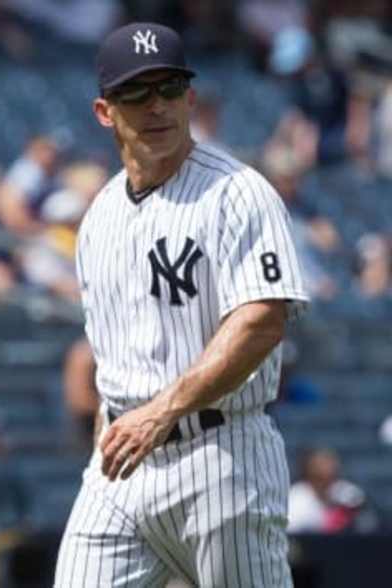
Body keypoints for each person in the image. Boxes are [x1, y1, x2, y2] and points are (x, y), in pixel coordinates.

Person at [54, 22, 309, 588]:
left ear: (190, 98)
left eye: (169, 88)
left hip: (222, 454)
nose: (156, 106)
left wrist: (159, 412)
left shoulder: (239, 192)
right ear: (105, 111)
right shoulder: (99, 217)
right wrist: (112, 420)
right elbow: (110, 344)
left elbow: (261, 323)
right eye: (136, 92)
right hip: (120, 465)